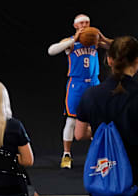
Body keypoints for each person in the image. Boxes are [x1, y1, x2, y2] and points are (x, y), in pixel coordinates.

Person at [75, 36, 138, 196]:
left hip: (103, 177)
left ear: (109, 60)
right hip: (135, 181)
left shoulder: (92, 94)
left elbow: (79, 134)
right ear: (137, 62)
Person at [48, 14, 112, 169]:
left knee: (98, 121)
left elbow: (117, 46)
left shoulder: (94, 40)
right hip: (76, 84)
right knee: (71, 120)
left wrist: (103, 38)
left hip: (94, 83)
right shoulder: (69, 43)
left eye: (87, 22)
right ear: (75, 25)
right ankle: (66, 155)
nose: (85, 24)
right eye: (81, 22)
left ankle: (100, 156)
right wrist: (74, 40)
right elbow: (51, 50)